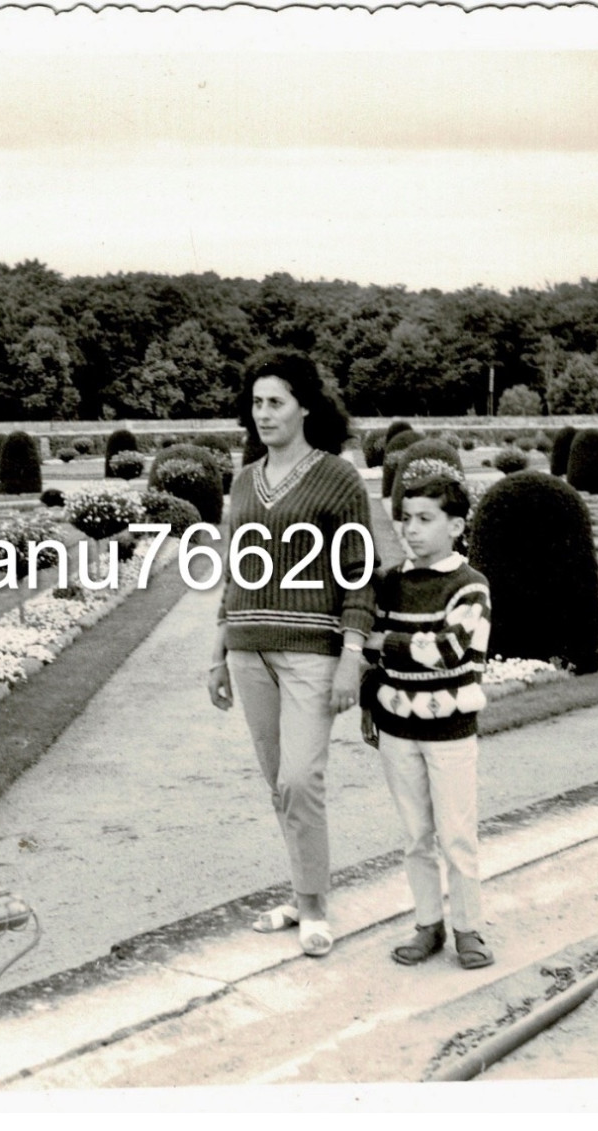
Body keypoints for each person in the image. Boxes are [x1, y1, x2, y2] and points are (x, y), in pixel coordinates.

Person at [206, 348, 376, 959]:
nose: (264, 414)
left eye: (276, 402)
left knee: (302, 779)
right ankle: (303, 896)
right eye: (256, 403)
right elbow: (234, 570)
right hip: (248, 652)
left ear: (305, 406)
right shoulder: (244, 479)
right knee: (279, 783)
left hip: (312, 654)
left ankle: (314, 909)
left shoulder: (337, 478)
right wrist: (218, 650)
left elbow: (359, 574)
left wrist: (353, 654)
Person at [360, 473, 494, 970]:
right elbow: (373, 651)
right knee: (415, 835)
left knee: (456, 833)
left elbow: (446, 652)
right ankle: (427, 925)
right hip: (398, 729)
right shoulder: (392, 582)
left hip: (450, 731)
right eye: (405, 519)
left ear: (456, 525)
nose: (410, 530)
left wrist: (384, 645)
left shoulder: (469, 586)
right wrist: (369, 700)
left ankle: (468, 927)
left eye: (424, 519)